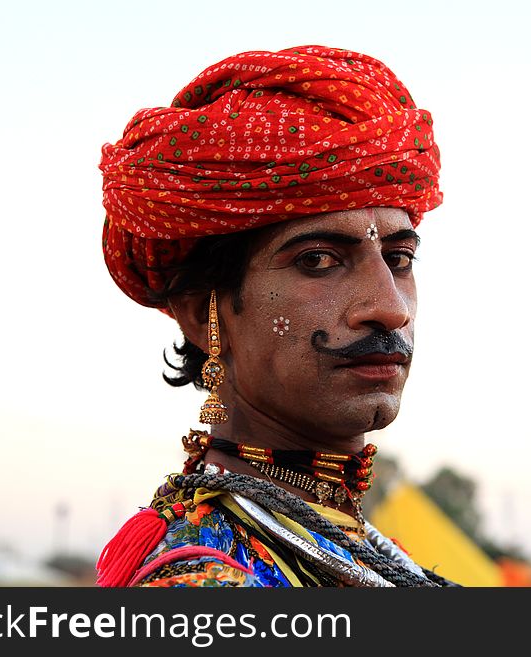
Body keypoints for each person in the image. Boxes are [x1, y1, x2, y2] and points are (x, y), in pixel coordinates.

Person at [96, 45, 452, 587]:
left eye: (399, 260)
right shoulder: (203, 583)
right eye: (318, 260)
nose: (390, 308)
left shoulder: (358, 548)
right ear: (202, 314)